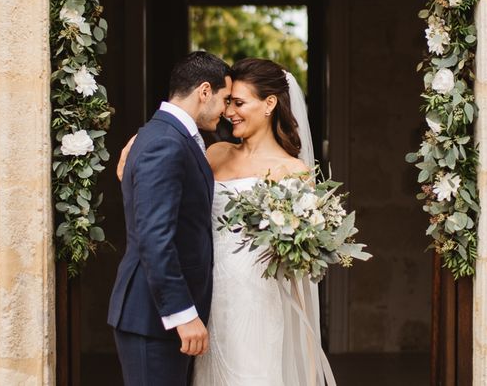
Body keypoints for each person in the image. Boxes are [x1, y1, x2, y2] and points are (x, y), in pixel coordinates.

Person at [117, 57, 329, 386]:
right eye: (227, 101)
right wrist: (133, 161)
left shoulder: (294, 172)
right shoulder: (214, 154)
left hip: (257, 299)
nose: (229, 111)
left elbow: (302, 261)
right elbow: (167, 190)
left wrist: (305, 339)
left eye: (238, 102)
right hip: (208, 298)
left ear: (270, 103)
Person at [108, 51, 232, 386]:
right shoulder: (163, 142)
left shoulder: (166, 135)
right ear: (204, 91)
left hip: (158, 318)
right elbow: (154, 236)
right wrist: (182, 313)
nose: (226, 111)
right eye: (224, 99)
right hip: (152, 317)